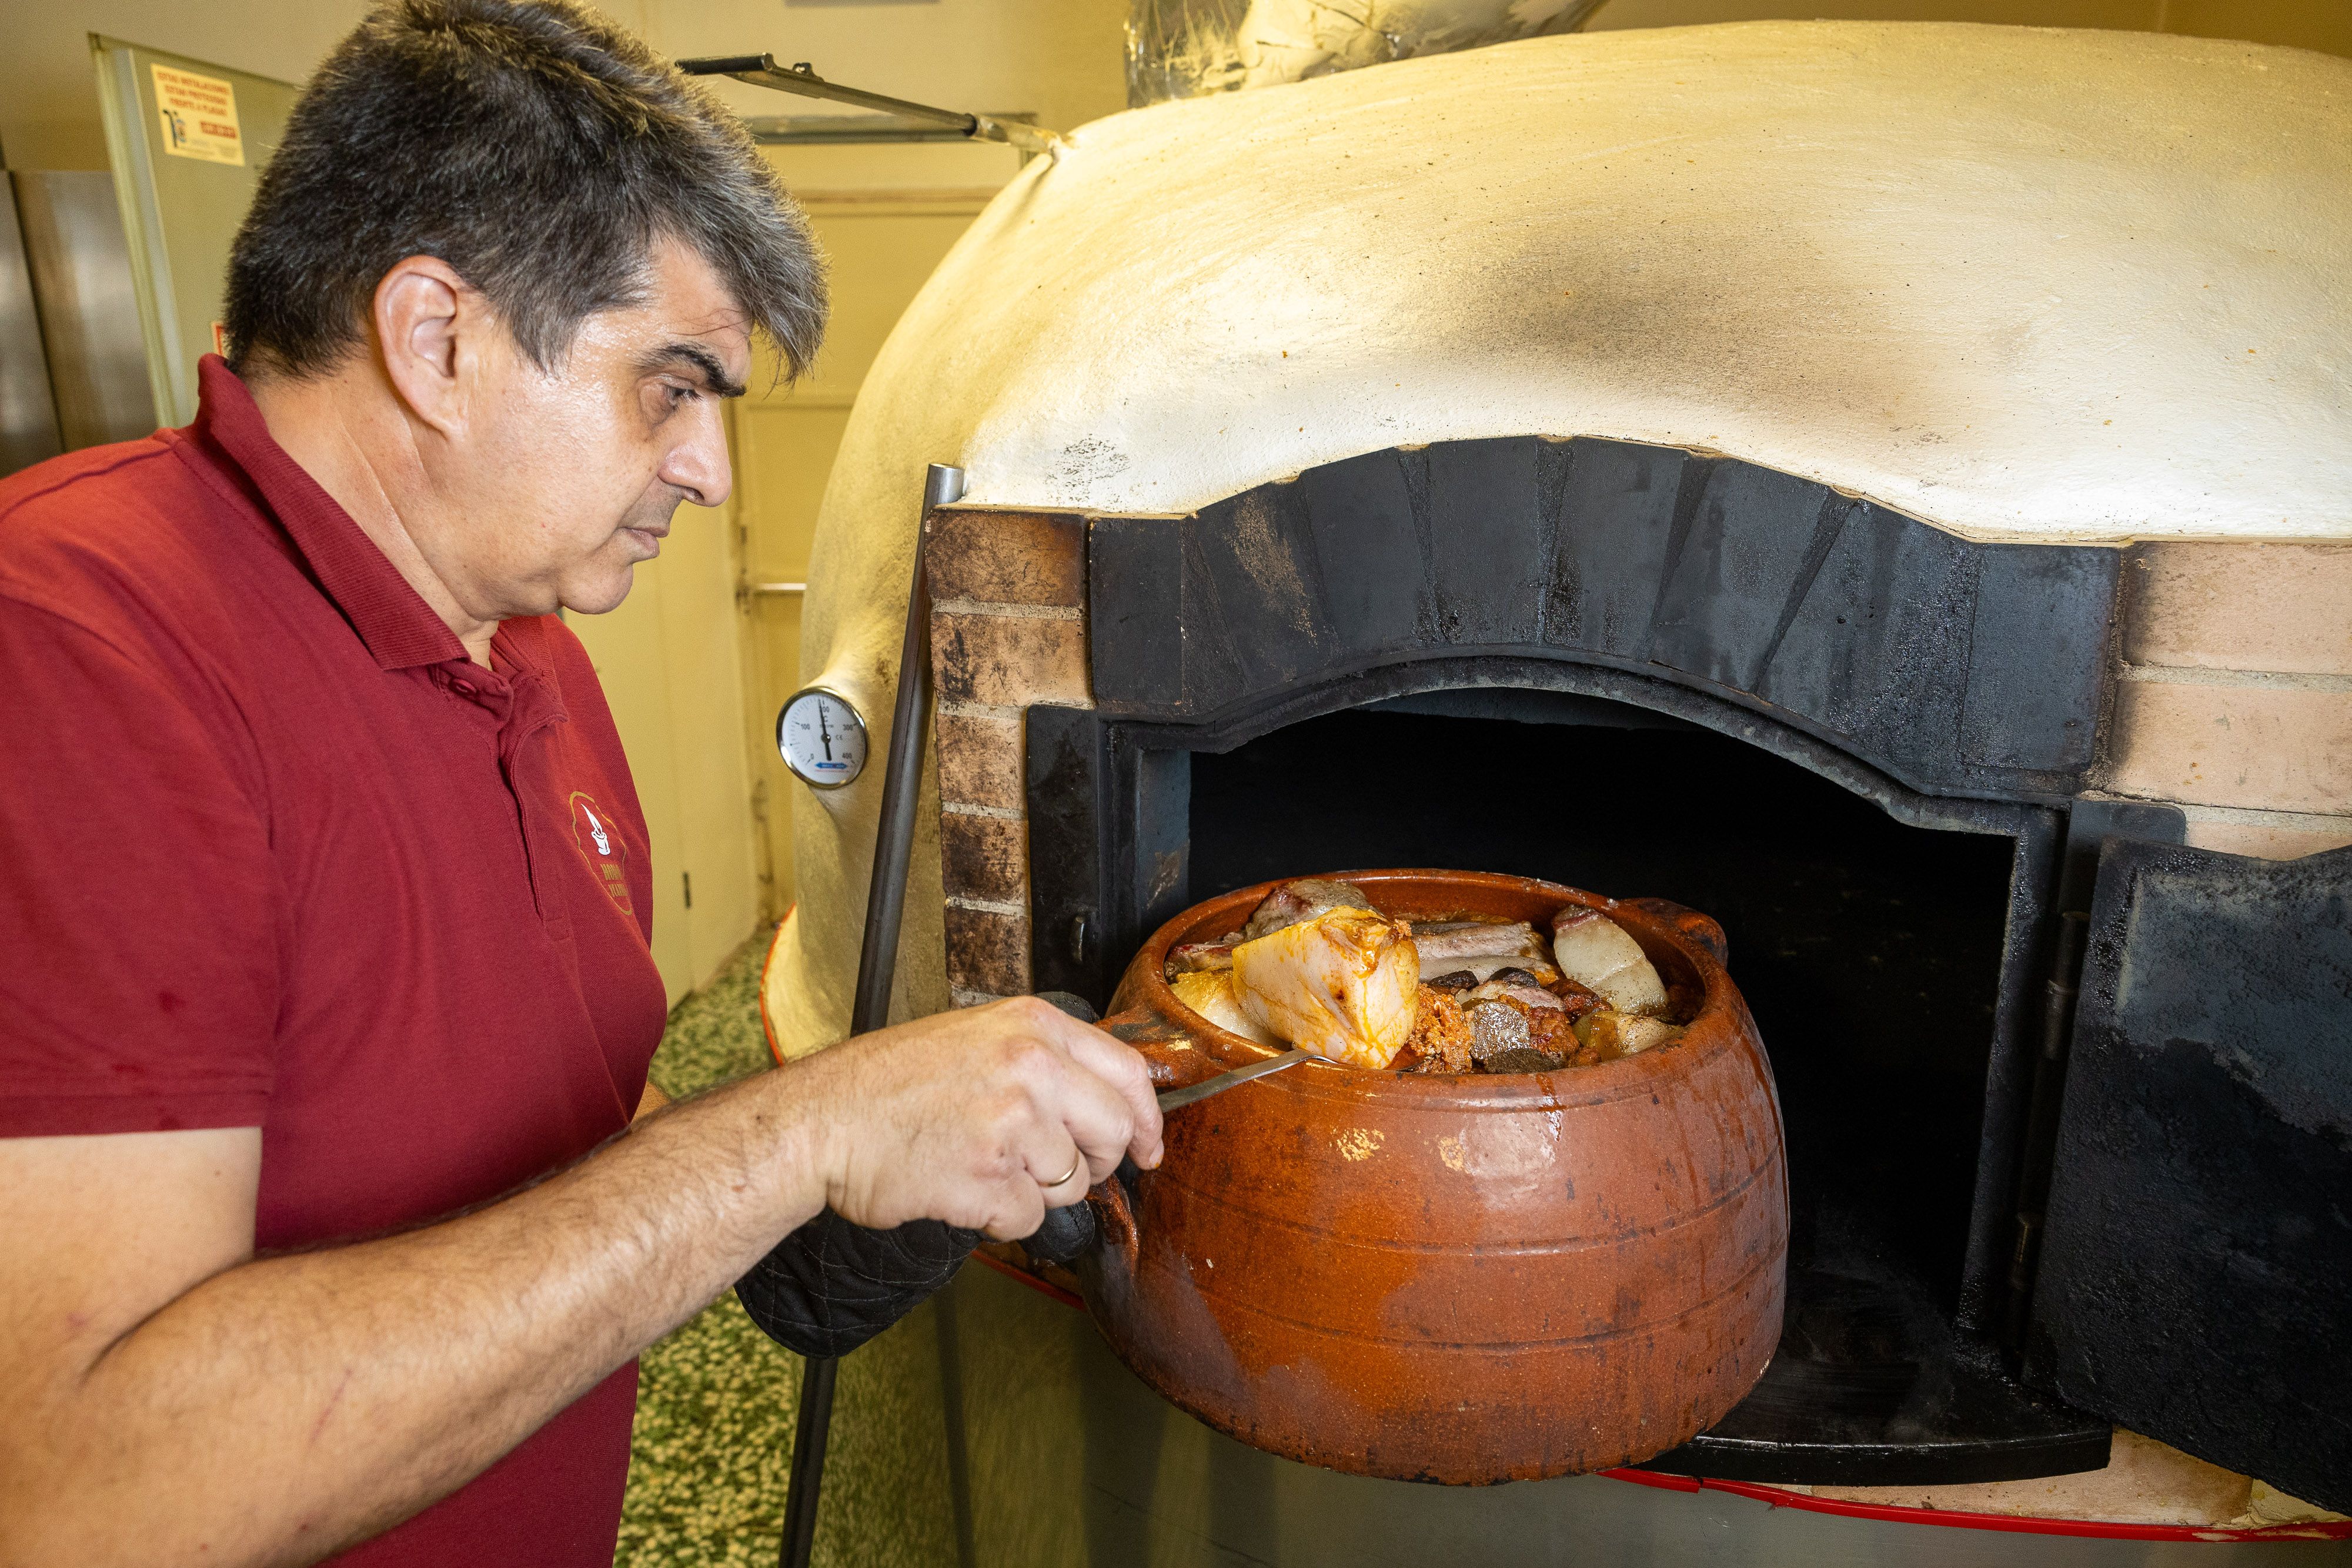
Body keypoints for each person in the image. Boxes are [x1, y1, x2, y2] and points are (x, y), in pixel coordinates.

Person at [0, 4, 1162, 1564]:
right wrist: (799, 1135)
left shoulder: (527, 646)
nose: (710, 471)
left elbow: (554, 1123)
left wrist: (839, 1198)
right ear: (438, 340)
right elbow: (77, 1489)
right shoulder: (73, 651)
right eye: (669, 386)